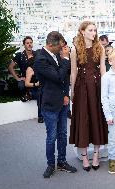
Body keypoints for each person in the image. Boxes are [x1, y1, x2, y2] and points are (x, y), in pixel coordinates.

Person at [34, 31, 77, 178]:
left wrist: (66, 95)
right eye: (60, 46)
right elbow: (58, 77)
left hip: (63, 102)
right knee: (51, 136)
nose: (62, 48)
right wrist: (65, 59)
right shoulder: (40, 59)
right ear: (50, 44)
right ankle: (51, 165)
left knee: (63, 135)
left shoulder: (57, 55)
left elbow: (65, 78)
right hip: (50, 103)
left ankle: (62, 161)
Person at [69, 21, 108, 172]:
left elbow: (103, 69)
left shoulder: (100, 47)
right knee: (83, 119)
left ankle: (97, 155)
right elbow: (73, 72)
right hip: (82, 86)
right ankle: (85, 157)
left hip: (97, 86)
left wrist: (105, 89)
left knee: (97, 118)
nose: (94, 33)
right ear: (82, 32)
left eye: (95, 30)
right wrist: (72, 91)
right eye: (91, 30)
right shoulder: (75, 49)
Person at [9, 36, 37, 102]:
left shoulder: (37, 54)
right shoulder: (20, 55)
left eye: (31, 43)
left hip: (36, 78)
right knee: (21, 85)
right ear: (24, 45)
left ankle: (31, 95)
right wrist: (17, 78)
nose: (29, 44)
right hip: (25, 78)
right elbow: (10, 67)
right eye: (27, 43)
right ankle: (27, 95)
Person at [24, 57, 44, 123]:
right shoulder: (30, 69)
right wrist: (36, 84)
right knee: (40, 93)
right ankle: (40, 116)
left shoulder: (42, 68)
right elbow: (26, 84)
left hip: (41, 88)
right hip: (32, 89)